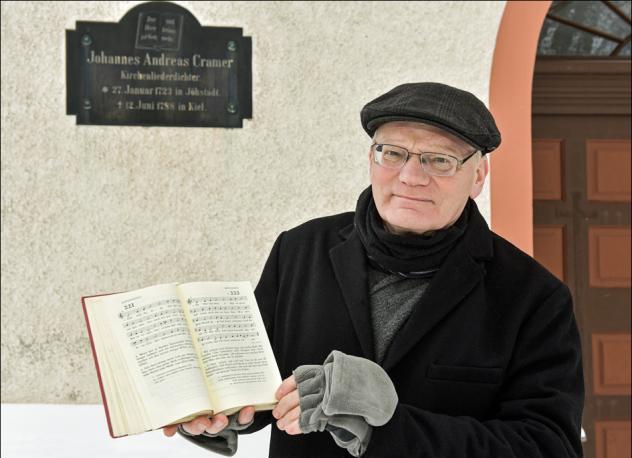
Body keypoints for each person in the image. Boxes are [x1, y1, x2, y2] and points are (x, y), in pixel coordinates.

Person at [163, 82, 584, 457]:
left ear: (478, 175)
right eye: (393, 153)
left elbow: (548, 445)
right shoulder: (300, 250)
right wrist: (220, 415)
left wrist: (387, 425)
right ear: (371, 158)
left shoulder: (532, 297)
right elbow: (259, 385)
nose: (411, 176)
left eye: (439, 160)